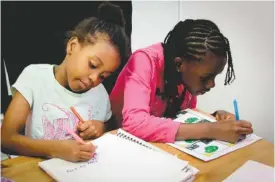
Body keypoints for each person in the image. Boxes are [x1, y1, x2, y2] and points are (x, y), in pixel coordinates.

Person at [1, 2, 129, 162]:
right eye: (93, 65)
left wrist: (100, 127)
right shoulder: (34, 77)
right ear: (72, 46)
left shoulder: (100, 94)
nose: (94, 79)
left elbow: (109, 127)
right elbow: (6, 139)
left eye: (103, 76)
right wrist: (57, 149)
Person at [110, 19, 253, 143]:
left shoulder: (185, 79)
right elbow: (135, 123)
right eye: (205, 78)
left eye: (215, 77)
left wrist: (214, 116)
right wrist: (211, 129)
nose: (211, 85)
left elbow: (181, 117)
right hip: (116, 139)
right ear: (179, 64)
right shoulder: (143, 61)